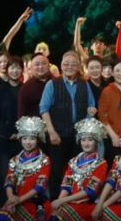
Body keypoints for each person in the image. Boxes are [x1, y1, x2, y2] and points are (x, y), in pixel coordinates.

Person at [39, 51, 98, 199]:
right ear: (61, 65)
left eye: (73, 64)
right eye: (66, 64)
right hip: (58, 135)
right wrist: (51, 132)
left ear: (78, 66)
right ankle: (55, 202)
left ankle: (74, 202)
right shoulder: (52, 84)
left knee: (78, 171)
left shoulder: (85, 84)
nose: (69, 67)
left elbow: (91, 106)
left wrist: (86, 124)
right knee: (57, 171)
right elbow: (44, 109)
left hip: (79, 138)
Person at [49, 118, 109, 221]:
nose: (86, 143)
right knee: (51, 211)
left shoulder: (101, 163)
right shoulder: (73, 161)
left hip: (87, 204)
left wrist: (62, 201)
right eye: (83, 140)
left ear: (96, 141)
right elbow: (66, 185)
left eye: (90, 140)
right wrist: (58, 201)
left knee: (64, 212)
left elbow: (90, 191)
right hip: (71, 203)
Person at [0, 116, 51, 221]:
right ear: (20, 139)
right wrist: (11, 198)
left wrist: (20, 199)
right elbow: (9, 182)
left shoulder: (44, 160)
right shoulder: (14, 160)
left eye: (32, 138)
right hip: (16, 201)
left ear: (38, 139)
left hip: (35, 203)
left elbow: (40, 187)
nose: (28, 142)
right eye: (25, 138)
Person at [0, 56, 24, 205]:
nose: (15, 71)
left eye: (18, 67)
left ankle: (18, 207)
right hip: (3, 139)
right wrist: (7, 133)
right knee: (4, 174)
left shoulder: (25, 88)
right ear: (7, 69)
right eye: (12, 67)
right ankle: (2, 206)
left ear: (22, 70)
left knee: (20, 175)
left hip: (22, 140)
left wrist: (20, 133)